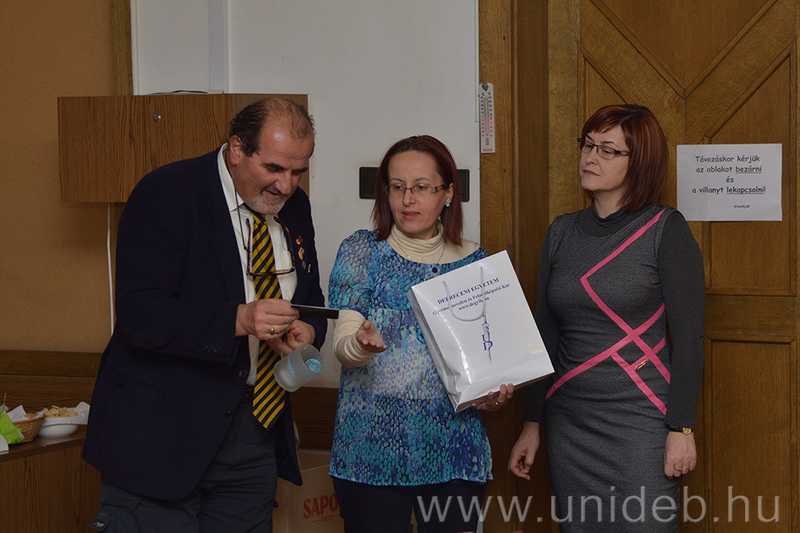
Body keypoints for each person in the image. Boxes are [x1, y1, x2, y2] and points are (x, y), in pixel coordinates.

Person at [83, 98, 327, 531]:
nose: (286, 185)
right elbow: (141, 316)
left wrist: (307, 330)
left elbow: (311, 298)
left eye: (298, 171)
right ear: (237, 149)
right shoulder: (168, 193)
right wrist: (240, 320)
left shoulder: (295, 206)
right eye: (273, 168)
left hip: (254, 428)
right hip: (162, 433)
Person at [508, 104, 704, 531]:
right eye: (588, 145)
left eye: (608, 150)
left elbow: (689, 339)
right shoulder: (561, 232)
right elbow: (545, 334)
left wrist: (681, 429)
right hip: (570, 422)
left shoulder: (665, 229)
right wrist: (531, 423)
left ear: (640, 162)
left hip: (640, 421)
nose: (590, 157)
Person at [327, 135, 513, 533]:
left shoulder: (475, 262)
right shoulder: (361, 251)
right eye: (397, 187)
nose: (407, 199)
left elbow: (485, 364)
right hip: (370, 454)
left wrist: (492, 395)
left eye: (422, 187)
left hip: (454, 452)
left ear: (448, 194)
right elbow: (343, 344)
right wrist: (360, 345)